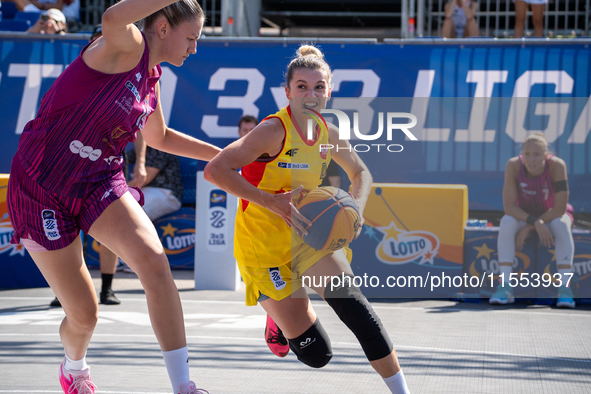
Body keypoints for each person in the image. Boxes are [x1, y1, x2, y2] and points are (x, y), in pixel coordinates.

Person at [7, 0, 219, 392]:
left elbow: (161, 138)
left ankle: (183, 386)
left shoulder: (152, 79)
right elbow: (111, 17)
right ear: (162, 29)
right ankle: (74, 367)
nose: (194, 48)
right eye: (191, 38)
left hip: (99, 180)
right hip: (41, 185)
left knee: (156, 265)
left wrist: (226, 156)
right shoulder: (126, 46)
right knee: (84, 315)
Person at [204, 44, 410, 393]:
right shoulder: (273, 131)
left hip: (308, 235)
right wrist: (271, 201)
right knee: (318, 354)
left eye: (318, 87)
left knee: (354, 306)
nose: (310, 94)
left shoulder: (328, 134)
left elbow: (361, 172)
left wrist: (356, 208)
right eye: (302, 86)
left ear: (329, 91)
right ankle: (277, 318)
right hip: (262, 247)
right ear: (288, 92)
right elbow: (216, 170)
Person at [490, 133, 575, 308]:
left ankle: (565, 290)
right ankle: (505, 287)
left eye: (537, 154)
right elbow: (509, 207)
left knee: (561, 223)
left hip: (551, 216)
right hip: (526, 216)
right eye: (527, 154)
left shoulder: (557, 166)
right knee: (506, 221)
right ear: (522, 154)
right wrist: (533, 223)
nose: (531, 159)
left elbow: (559, 209)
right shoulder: (513, 165)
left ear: (545, 155)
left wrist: (532, 226)